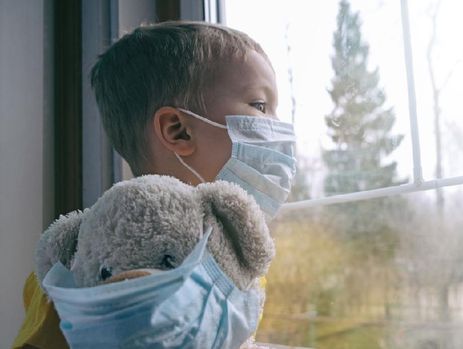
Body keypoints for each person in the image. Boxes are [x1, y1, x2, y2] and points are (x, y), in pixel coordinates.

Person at [13, 21, 295, 349]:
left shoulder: (228, 255)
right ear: (178, 130)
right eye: (260, 106)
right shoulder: (75, 266)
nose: (277, 126)